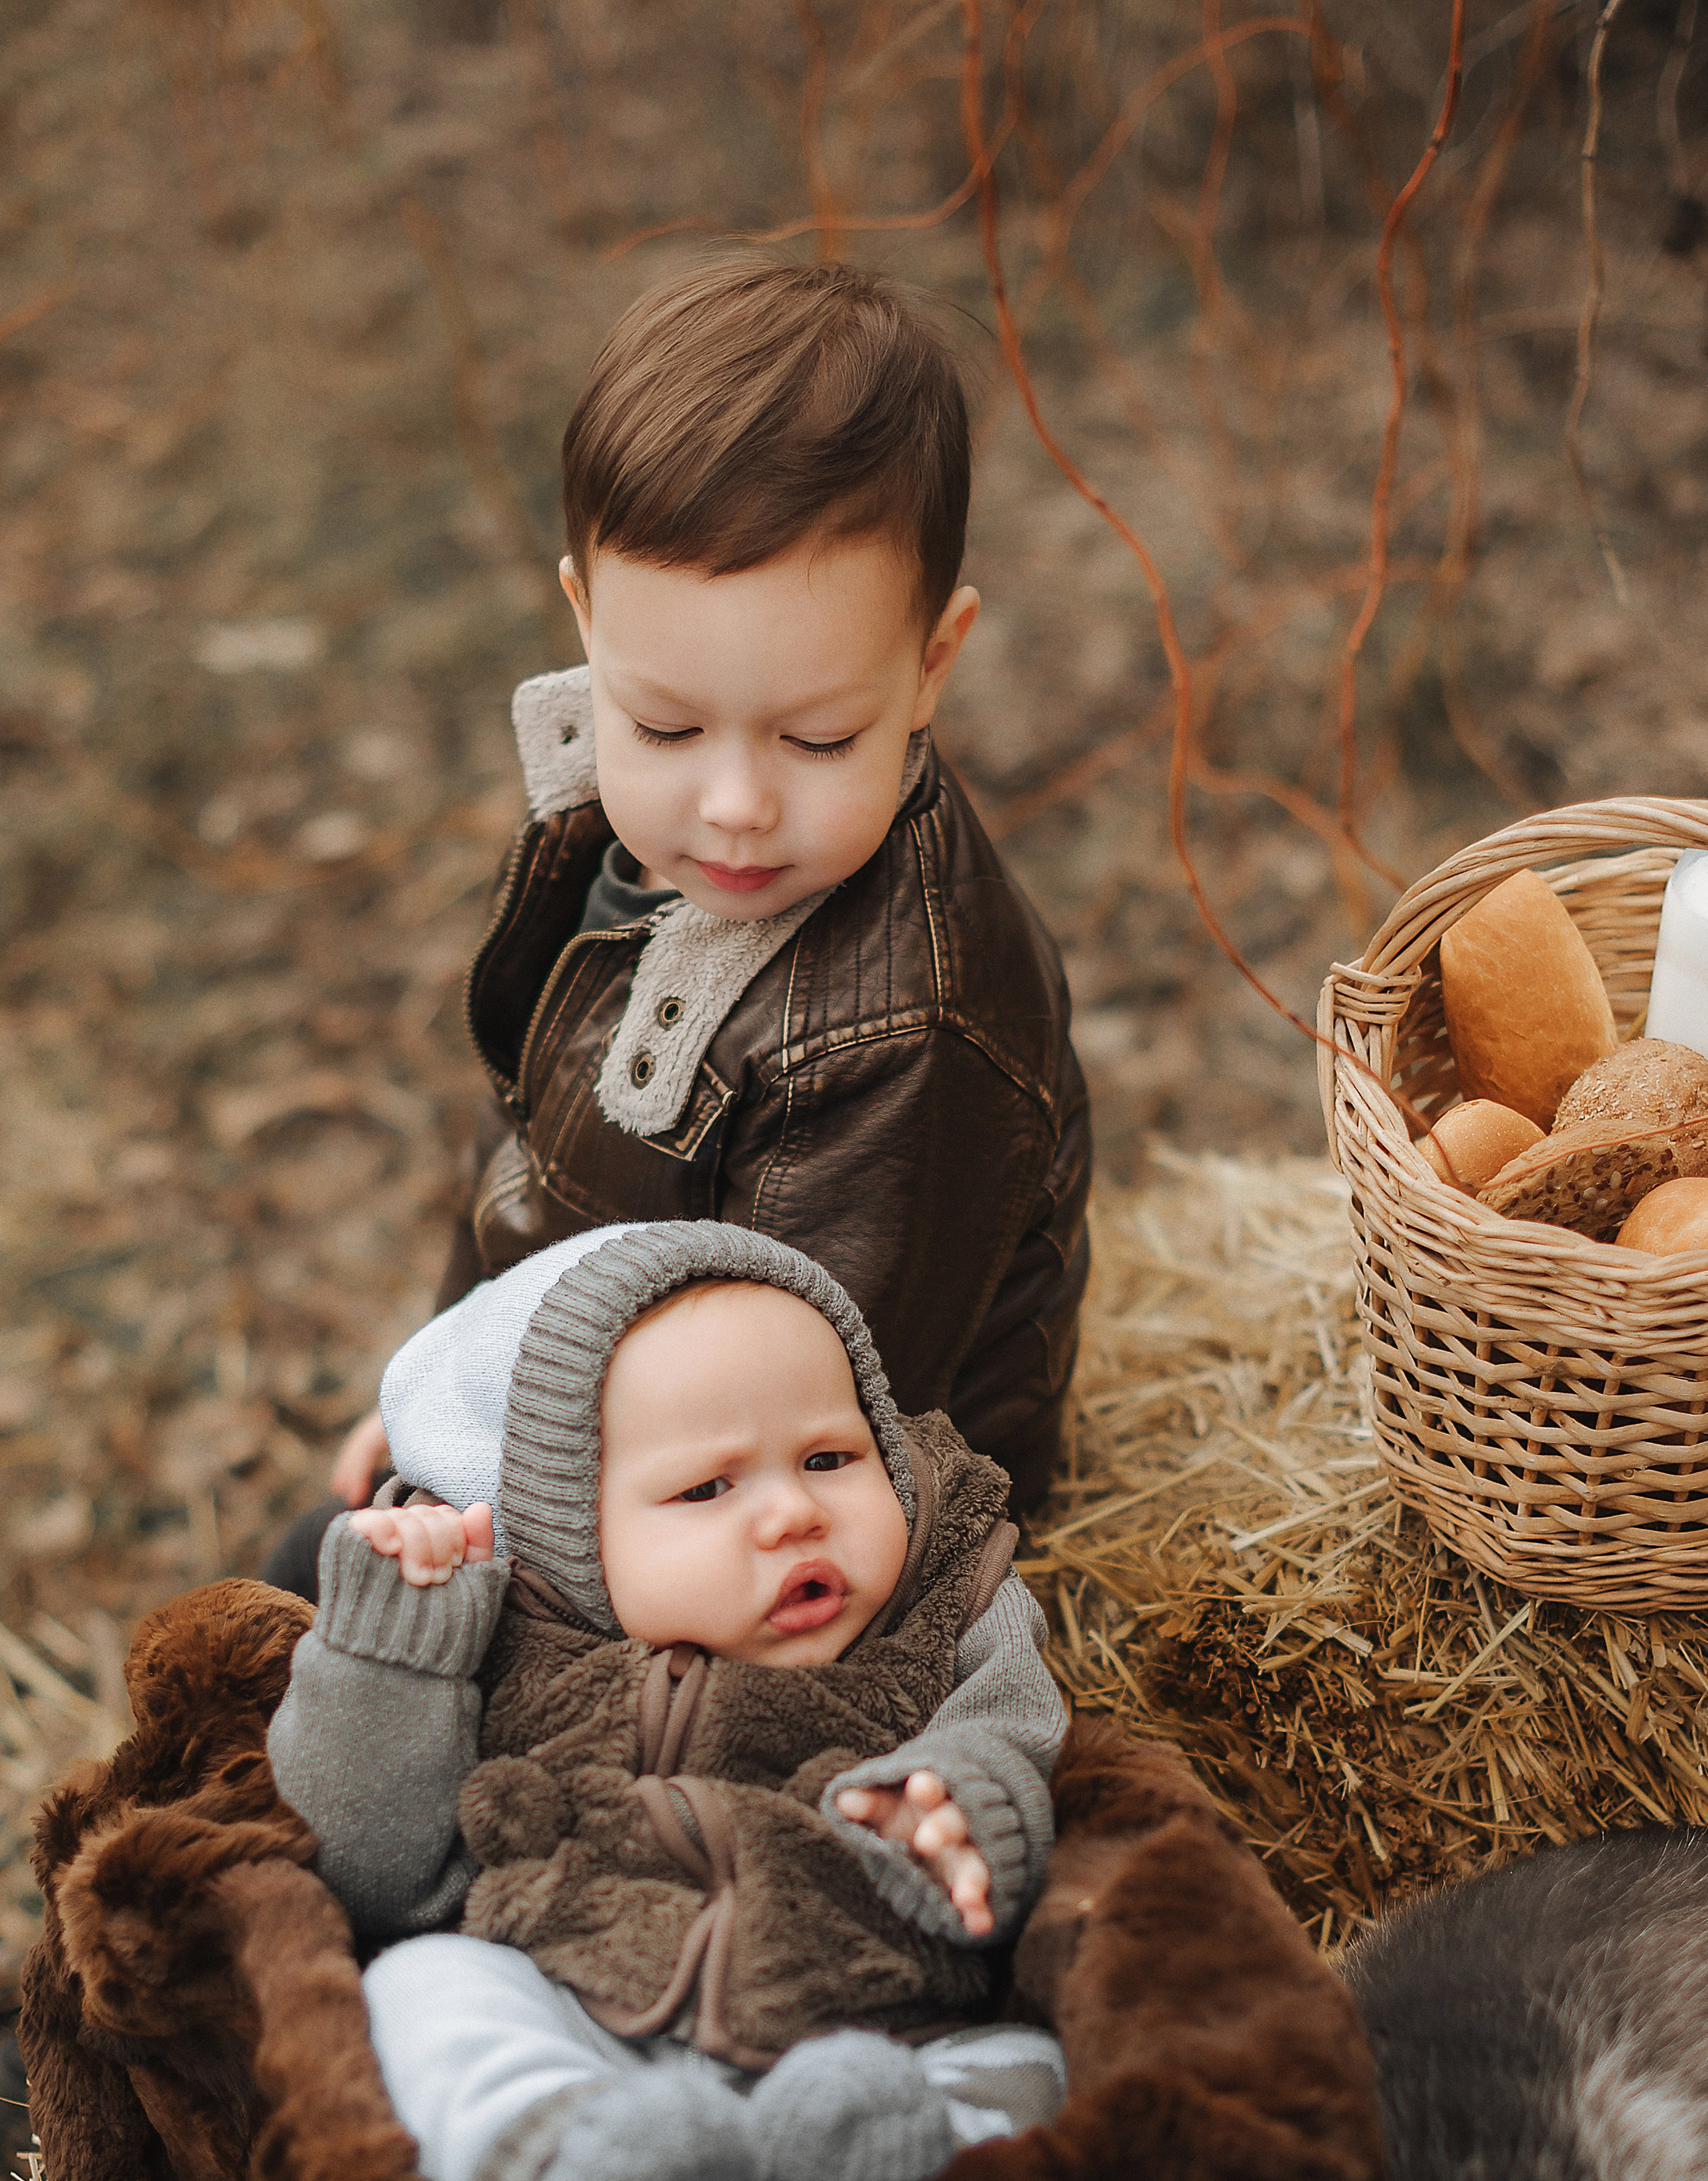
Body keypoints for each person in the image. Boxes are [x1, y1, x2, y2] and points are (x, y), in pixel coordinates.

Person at [263, 257, 1089, 1598]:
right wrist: (443, 1391)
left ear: (933, 662)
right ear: (587, 617)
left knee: (409, 1673)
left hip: (805, 1521)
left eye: (821, 738)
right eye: (664, 725)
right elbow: (530, 1142)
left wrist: (502, 1509)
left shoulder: (911, 1030)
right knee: (312, 1571)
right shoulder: (618, 836)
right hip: (628, 1412)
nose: (735, 808)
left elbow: (816, 1429)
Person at [264, 1221, 1070, 2181]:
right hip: (589, 2029)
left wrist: (963, 1810)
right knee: (424, 1984)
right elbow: (377, 1877)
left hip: (879, 2025)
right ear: (570, 1531)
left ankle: (894, 2170)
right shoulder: (514, 1646)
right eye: (707, 1490)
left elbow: (1016, 1724)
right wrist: (390, 1657)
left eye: (832, 1458)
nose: (793, 1512)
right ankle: (563, 2170)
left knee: (1037, 2065)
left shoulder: (939, 1604)